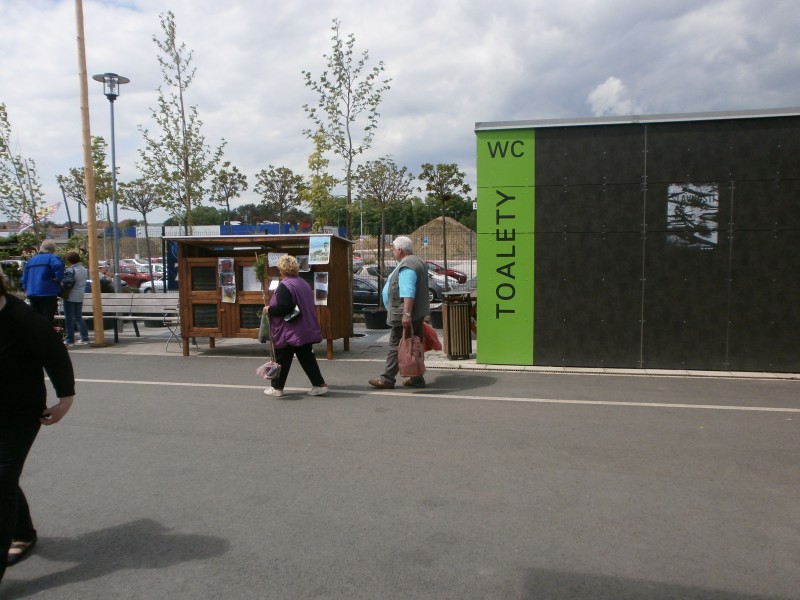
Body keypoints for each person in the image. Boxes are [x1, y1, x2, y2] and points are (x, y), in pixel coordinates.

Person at [0, 268, 75, 584]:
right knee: (4, 480)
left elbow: (56, 357)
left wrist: (64, 401)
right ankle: (23, 533)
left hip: (19, 414)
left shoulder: (25, 319)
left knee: (1, 481)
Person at [368, 236, 430, 389]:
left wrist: (406, 314)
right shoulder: (418, 261)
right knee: (413, 344)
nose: (393, 251)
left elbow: (408, 291)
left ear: (400, 250)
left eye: (393, 249)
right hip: (417, 312)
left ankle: (387, 379)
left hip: (404, 313)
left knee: (397, 346)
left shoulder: (407, 265)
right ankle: (417, 379)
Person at [263, 255, 328, 398]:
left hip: (289, 330)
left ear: (281, 269)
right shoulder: (303, 283)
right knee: (307, 358)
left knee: (282, 358)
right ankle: (319, 385)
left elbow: (284, 307)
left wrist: (269, 310)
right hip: (304, 328)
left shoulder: (285, 285)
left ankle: (277, 388)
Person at [21, 241, 64, 325]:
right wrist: (58, 278)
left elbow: (24, 278)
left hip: (32, 293)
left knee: (36, 318)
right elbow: (58, 265)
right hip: (48, 292)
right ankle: (46, 333)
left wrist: (26, 289)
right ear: (52, 250)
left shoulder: (31, 260)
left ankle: (37, 333)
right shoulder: (51, 258)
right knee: (48, 318)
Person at [62, 251, 90, 346]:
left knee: (69, 318)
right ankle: (85, 338)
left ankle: (70, 339)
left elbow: (66, 283)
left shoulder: (71, 270)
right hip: (80, 295)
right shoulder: (84, 269)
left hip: (70, 296)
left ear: (69, 261)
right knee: (78, 317)